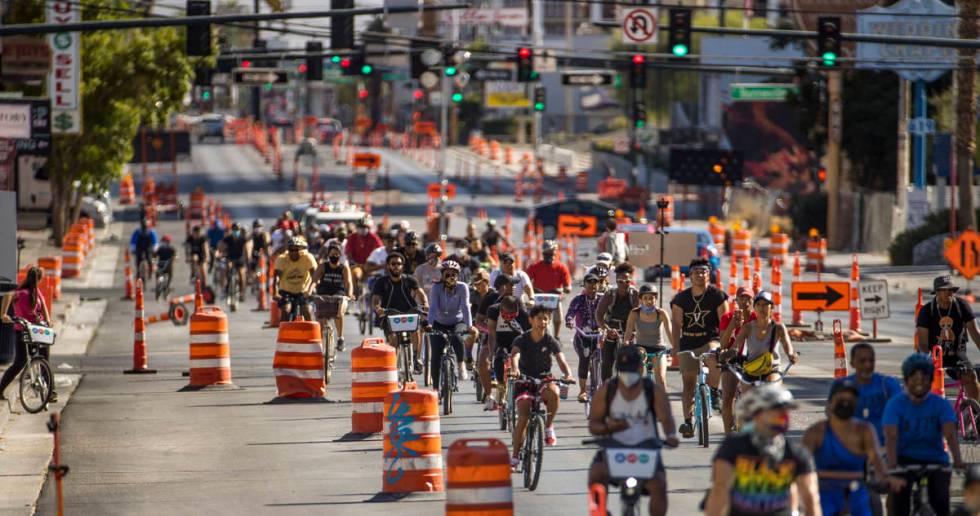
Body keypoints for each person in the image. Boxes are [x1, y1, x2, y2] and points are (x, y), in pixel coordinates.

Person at [587, 346, 680, 516]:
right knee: (596, 474)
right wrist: (610, 427)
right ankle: (599, 512)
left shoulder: (653, 391)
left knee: (659, 484)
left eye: (630, 370)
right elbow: (594, 425)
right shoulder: (607, 390)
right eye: (623, 370)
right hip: (614, 448)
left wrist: (671, 436)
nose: (627, 375)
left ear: (640, 368)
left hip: (646, 448)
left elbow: (667, 419)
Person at [705, 385, 821, 516]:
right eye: (777, 410)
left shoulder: (795, 452)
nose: (784, 416)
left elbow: (811, 497)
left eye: (786, 411)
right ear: (758, 414)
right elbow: (720, 491)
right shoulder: (734, 447)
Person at [802, 380, 904, 516]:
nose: (846, 402)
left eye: (851, 399)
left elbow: (877, 460)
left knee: (875, 506)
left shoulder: (865, 430)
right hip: (826, 491)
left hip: (857, 491)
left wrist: (887, 477)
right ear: (830, 403)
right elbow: (800, 466)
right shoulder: (815, 432)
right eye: (841, 398)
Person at [884, 353, 964, 516]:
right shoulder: (896, 404)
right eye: (914, 378)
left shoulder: (940, 404)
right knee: (899, 503)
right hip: (904, 459)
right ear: (906, 381)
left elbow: (950, 434)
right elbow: (891, 437)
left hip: (935, 460)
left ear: (931, 380)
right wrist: (892, 465)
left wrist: (957, 461)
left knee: (941, 503)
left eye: (924, 378)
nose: (919, 382)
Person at [509, 305, 575, 466]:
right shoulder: (522, 339)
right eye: (538, 318)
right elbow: (515, 355)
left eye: (545, 319)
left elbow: (561, 359)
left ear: (549, 321)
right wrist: (515, 368)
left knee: (554, 392)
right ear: (531, 320)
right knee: (523, 415)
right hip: (524, 380)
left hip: (544, 379)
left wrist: (568, 374)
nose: (542, 322)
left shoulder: (550, 340)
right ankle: (516, 455)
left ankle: (548, 427)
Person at [670, 257, 729, 438]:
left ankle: (712, 391)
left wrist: (725, 345)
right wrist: (675, 349)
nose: (700, 275)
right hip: (688, 341)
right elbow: (676, 325)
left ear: (709, 274)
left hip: (709, 339)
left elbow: (724, 323)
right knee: (688, 385)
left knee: (714, 356)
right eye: (696, 272)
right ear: (690, 276)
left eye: (703, 271)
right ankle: (687, 422)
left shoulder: (717, 296)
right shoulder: (681, 299)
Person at [915, 275, 980, 402]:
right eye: (944, 290)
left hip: (957, 355)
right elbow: (923, 344)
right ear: (937, 292)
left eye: (951, 290)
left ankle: (975, 414)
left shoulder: (962, 306)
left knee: (970, 376)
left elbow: (975, 334)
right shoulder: (927, 311)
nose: (949, 293)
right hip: (933, 356)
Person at [0, 267, 55, 402]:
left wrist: (4, 314)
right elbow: (44, 308)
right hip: (31, 330)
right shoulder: (27, 292)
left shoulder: (29, 292)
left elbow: (8, 295)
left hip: (27, 330)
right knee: (42, 358)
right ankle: (51, 391)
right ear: (39, 279)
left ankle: (1, 389)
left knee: (23, 361)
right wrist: (47, 321)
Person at [372, 253, 428, 373]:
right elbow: (376, 299)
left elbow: (421, 294)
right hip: (390, 315)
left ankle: (415, 357)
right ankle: (393, 364)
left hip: (409, 312)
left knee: (415, 329)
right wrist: (378, 308)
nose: (396, 266)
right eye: (393, 264)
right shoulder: (382, 282)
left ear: (402, 266)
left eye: (399, 264)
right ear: (388, 266)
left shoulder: (410, 279)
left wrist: (425, 305)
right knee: (393, 339)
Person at [730, 291, 799, 386]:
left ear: (772, 307)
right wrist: (728, 353)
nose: (762, 308)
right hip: (752, 370)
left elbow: (787, 346)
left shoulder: (779, 327)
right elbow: (736, 346)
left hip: (772, 370)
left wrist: (791, 356)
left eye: (766, 304)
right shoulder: (747, 328)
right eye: (758, 304)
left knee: (771, 390)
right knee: (746, 397)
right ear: (754, 307)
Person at [427, 260, 476, 387]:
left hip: (457, 321)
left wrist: (469, 325)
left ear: (458, 276)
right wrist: (430, 324)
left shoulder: (462, 287)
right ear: (442, 275)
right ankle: (435, 388)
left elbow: (465, 307)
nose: (450, 277)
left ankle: (461, 364)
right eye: (447, 274)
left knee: (458, 337)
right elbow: (432, 308)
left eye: (453, 274)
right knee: (436, 355)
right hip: (438, 322)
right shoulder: (436, 288)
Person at [718, 287, 757, 435]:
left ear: (753, 301)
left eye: (749, 298)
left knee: (750, 398)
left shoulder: (757, 318)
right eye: (742, 298)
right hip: (731, 359)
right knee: (728, 396)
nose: (745, 301)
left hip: (751, 360)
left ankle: (748, 431)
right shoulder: (727, 317)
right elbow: (722, 344)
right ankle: (729, 436)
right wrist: (732, 326)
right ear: (737, 300)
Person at [483, 295, 530, 409]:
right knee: (499, 357)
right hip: (500, 339)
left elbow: (529, 335)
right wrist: (491, 353)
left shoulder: (523, 314)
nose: (508, 317)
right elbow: (492, 334)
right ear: (501, 309)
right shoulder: (493, 310)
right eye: (505, 315)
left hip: (517, 339)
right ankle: (501, 386)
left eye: (511, 315)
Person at [596, 263, 640, 381]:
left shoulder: (635, 295)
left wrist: (634, 331)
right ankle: (606, 387)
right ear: (616, 281)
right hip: (612, 329)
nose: (624, 284)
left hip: (629, 330)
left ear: (631, 281)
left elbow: (639, 315)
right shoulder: (610, 294)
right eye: (621, 281)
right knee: (607, 360)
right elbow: (599, 315)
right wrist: (607, 330)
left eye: (627, 282)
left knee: (632, 361)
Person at [624, 284, 673, 388]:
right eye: (645, 298)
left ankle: (661, 403)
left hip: (658, 348)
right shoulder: (634, 313)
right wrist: (626, 345)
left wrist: (676, 348)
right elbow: (628, 333)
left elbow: (670, 333)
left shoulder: (661, 313)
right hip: (641, 348)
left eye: (651, 298)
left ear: (655, 299)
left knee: (661, 378)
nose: (649, 301)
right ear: (641, 299)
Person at [566, 273, 604, 402]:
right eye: (589, 282)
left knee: (608, 358)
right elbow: (570, 313)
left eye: (595, 282)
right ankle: (582, 391)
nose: (593, 285)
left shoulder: (603, 298)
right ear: (585, 284)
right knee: (585, 357)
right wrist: (569, 321)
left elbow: (610, 312)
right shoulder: (579, 299)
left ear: (598, 285)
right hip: (583, 337)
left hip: (600, 336)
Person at [526, 240, 572, 340]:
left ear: (555, 254)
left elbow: (568, 287)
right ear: (542, 254)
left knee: (558, 312)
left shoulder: (561, 267)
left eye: (551, 254)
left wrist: (561, 290)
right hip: (538, 298)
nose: (549, 256)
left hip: (554, 299)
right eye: (546, 254)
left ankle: (556, 336)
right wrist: (531, 289)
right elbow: (526, 280)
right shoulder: (535, 266)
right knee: (529, 313)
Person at [312, 241, 353, 355]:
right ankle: (320, 345)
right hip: (323, 294)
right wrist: (309, 290)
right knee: (320, 318)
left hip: (338, 294)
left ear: (340, 255)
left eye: (336, 254)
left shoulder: (343, 268)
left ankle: (340, 338)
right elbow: (314, 281)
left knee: (339, 311)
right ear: (328, 254)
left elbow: (348, 282)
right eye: (332, 254)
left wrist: (349, 294)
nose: (334, 256)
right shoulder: (322, 266)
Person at [273, 237, 318, 321]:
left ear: (301, 250)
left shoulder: (308, 257)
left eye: (296, 250)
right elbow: (276, 278)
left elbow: (315, 276)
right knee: (286, 310)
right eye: (291, 250)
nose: (294, 252)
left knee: (307, 311)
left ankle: (311, 332)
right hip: (286, 291)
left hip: (304, 291)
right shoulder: (282, 258)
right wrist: (275, 293)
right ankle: (285, 333)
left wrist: (310, 290)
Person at [215, 223, 251, 302]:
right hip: (230, 258)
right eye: (234, 230)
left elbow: (247, 251)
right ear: (232, 231)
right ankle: (225, 288)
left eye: (237, 230)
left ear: (239, 231)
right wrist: (218, 254)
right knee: (226, 268)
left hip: (240, 259)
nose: (236, 232)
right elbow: (220, 245)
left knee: (241, 274)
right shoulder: (228, 238)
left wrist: (248, 261)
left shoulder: (243, 239)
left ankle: (242, 293)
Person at [345, 218, 383, 283]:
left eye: (364, 227)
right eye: (360, 227)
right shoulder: (352, 237)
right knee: (356, 275)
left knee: (378, 277)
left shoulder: (373, 237)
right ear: (357, 228)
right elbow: (348, 253)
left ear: (368, 227)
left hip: (370, 266)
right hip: (357, 265)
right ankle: (356, 291)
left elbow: (381, 250)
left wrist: (372, 264)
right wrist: (355, 264)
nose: (362, 229)